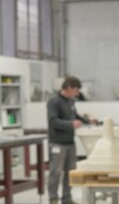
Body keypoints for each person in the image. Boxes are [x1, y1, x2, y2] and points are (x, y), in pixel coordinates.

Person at [46, 76, 97, 204]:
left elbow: (75, 116)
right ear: (68, 88)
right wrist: (70, 124)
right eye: (76, 90)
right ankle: (53, 198)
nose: (77, 93)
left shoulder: (70, 101)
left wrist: (87, 121)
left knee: (70, 172)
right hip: (57, 143)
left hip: (70, 142)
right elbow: (53, 121)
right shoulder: (54, 102)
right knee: (55, 172)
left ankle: (67, 198)